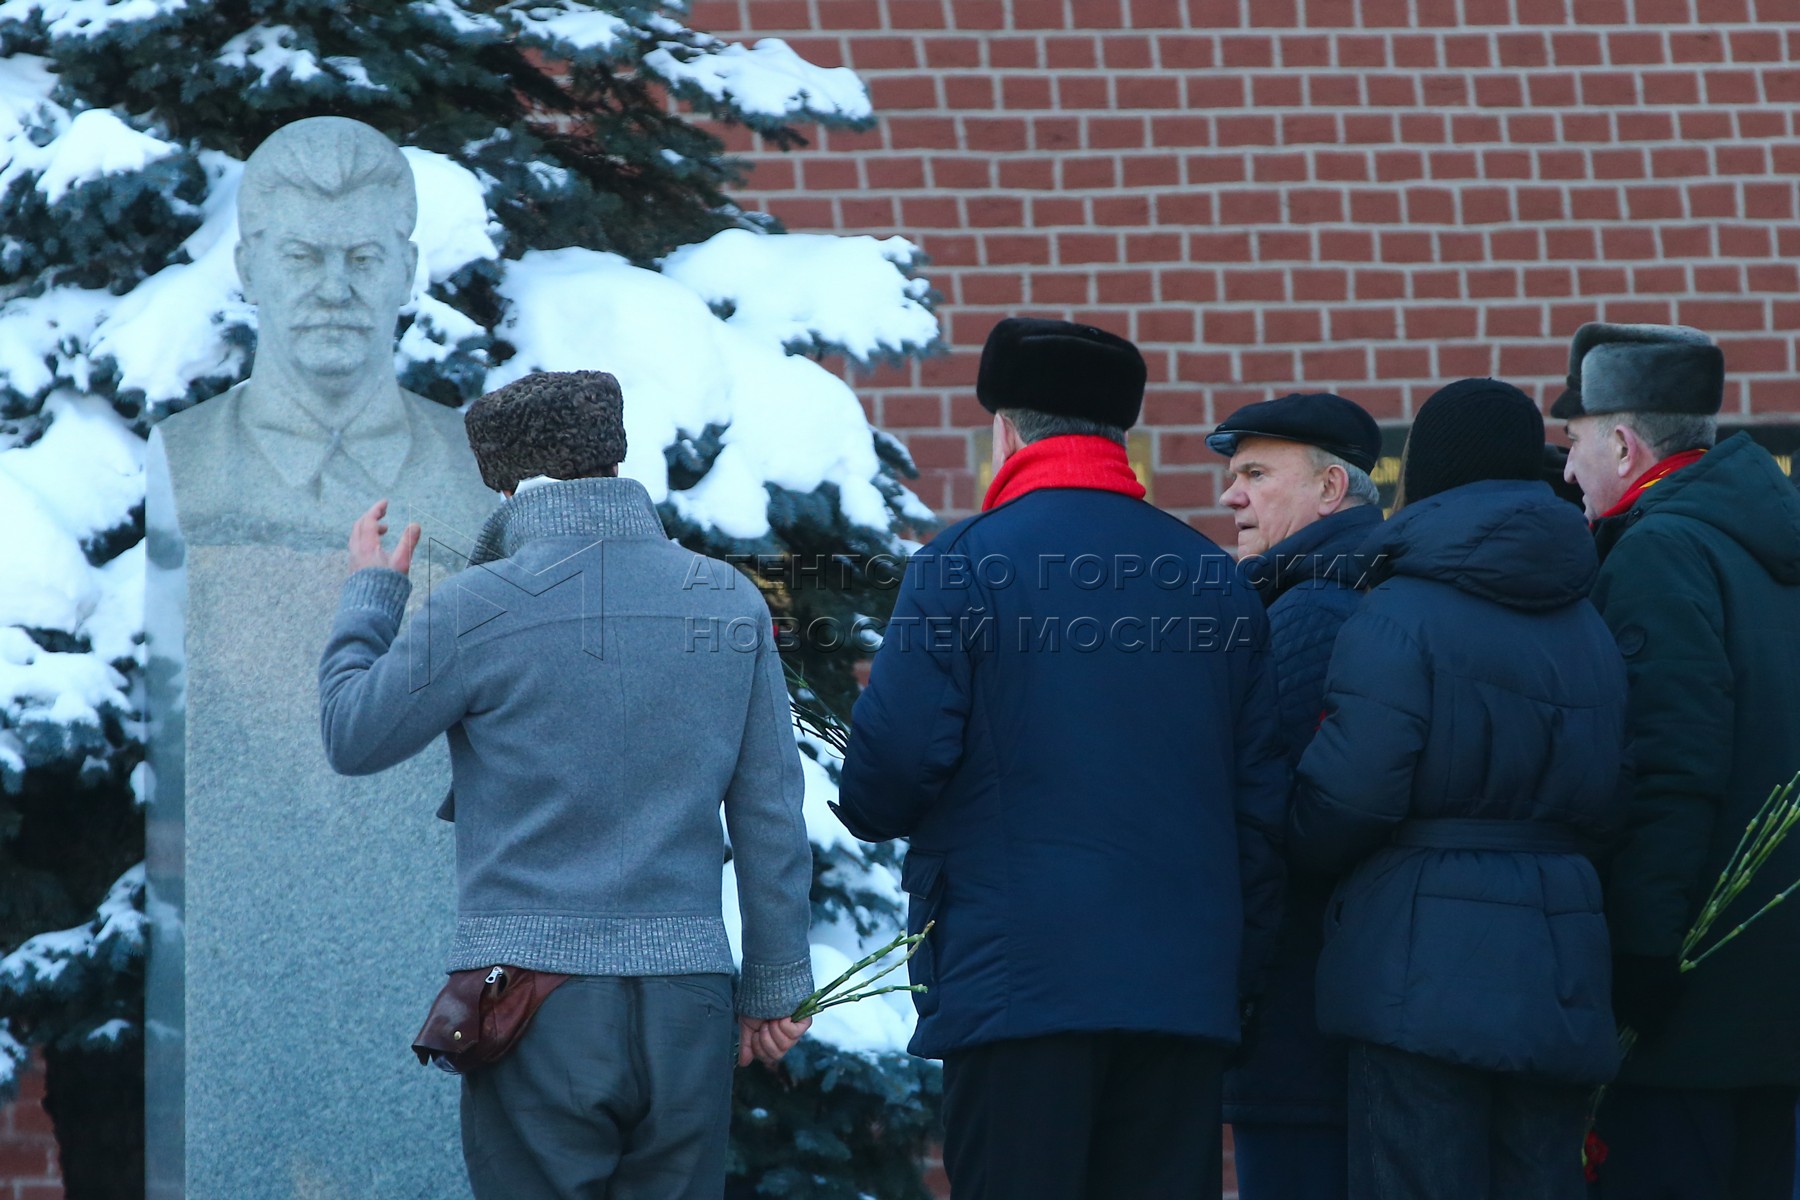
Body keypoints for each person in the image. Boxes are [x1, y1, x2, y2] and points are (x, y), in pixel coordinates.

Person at [316, 370, 815, 1199]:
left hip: (534, 1004)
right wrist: (775, 984)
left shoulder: (476, 606)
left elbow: (351, 734)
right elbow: (770, 811)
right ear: (614, 461)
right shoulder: (726, 599)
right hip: (689, 1002)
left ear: (507, 488)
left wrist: (371, 595)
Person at [833, 317, 1288, 1200]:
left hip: (1017, 985)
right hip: (1181, 991)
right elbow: (1260, 811)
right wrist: (1235, 976)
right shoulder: (1216, 581)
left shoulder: (961, 566)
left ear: (1005, 432)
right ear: (1120, 436)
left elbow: (887, 782)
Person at [1290, 378, 1629, 1200]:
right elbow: (1615, 796)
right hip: (1561, 965)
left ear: (1429, 472)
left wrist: (1293, 840)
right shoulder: (1589, 622)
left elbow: (1350, 796)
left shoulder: (1398, 612)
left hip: (1418, 972)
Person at [1557, 322, 1800, 1200]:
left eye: (1576, 442)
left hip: (1688, 1014)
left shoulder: (1660, 549)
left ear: (1624, 446)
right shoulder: (1767, 540)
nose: (1569, 469)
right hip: (1771, 1004)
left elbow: (1669, 769)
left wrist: (1640, 951)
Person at [1208, 392, 1386, 1200]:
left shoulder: (1310, 609)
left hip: (1299, 1008)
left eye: (1255, 474)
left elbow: (1267, 814)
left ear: (1330, 488)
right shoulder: (1329, 591)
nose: (1231, 495)